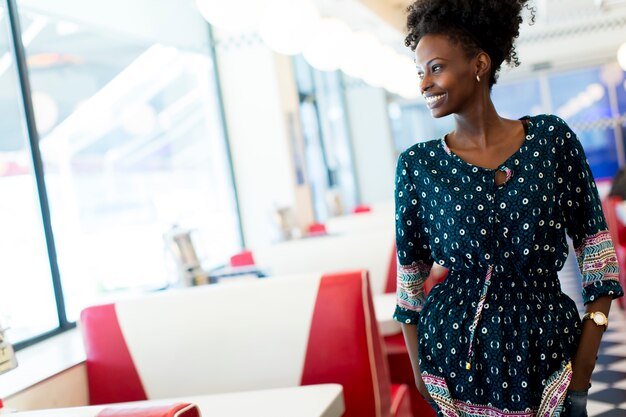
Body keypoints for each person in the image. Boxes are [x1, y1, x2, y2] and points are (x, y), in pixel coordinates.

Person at [392, 1, 625, 417]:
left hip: (550, 359)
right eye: (420, 72)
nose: (424, 83)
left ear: (479, 64)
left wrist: (585, 367)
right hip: (454, 367)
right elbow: (410, 287)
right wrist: (421, 373)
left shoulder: (551, 141)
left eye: (436, 67)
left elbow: (598, 259)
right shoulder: (417, 166)